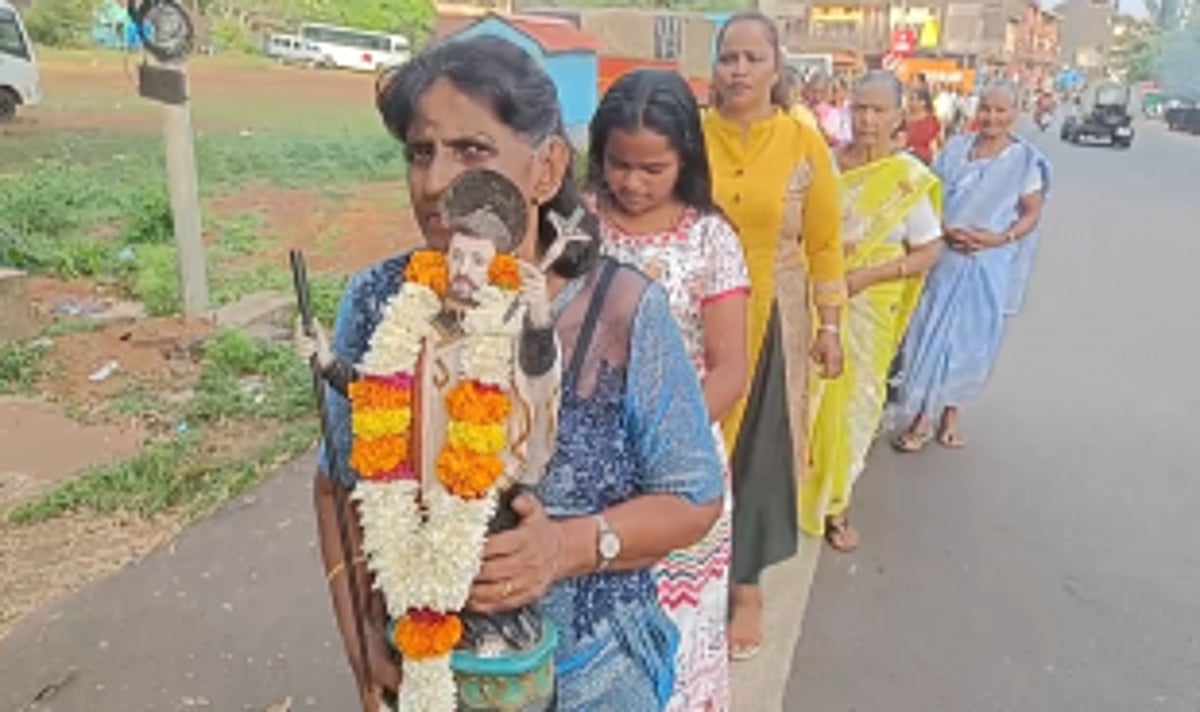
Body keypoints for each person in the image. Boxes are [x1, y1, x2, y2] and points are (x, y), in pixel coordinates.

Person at [309, 36, 725, 711]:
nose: (436, 182)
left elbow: (694, 499)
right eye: (420, 152)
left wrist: (566, 546)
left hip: (597, 675)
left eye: (471, 151)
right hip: (430, 672)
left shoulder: (620, 311)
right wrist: (362, 634)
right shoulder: (384, 300)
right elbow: (337, 485)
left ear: (546, 168)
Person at [588, 67, 751, 712]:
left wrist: (655, 445)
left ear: (685, 158)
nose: (631, 182)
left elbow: (730, 368)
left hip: (678, 468)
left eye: (652, 168)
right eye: (618, 164)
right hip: (583, 457)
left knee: (675, 639)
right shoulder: (574, 224)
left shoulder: (710, 239)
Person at [704, 11, 846, 660]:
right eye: (728, 57)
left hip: (772, 322)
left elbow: (824, 241)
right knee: (693, 444)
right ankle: (688, 567)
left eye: (751, 58)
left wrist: (831, 326)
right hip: (698, 314)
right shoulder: (693, 134)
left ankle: (747, 587)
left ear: (776, 68)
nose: (738, 70)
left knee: (757, 456)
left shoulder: (801, 140)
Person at [800, 71, 943, 551]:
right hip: (810, 301)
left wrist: (864, 279)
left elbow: (927, 251)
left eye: (878, 110)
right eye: (859, 108)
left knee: (855, 405)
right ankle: (797, 494)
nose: (866, 119)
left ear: (898, 117)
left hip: (867, 312)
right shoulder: (822, 165)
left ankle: (837, 505)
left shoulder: (907, 182)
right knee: (803, 399)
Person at [893, 81, 1051, 452]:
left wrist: (999, 239)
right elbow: (930, 195)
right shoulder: (956, 149)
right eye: (986, 109)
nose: (992, 118)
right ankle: (921, 417)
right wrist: (943, 230)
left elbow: (1032, 212)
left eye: (1000, 111)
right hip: (944, 257)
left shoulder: (1025, 161)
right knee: (927, 331)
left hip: (986, 265)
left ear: (1015, 114)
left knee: (968, 341)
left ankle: (950, 414)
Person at [904, 88, 942, 164]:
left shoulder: (931, 121)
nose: (910, 102)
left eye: (913, 99)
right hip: (905, 158)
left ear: (923, 102)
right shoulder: (904, 119)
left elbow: (936, 144)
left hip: (924, 161)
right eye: (910, 99)